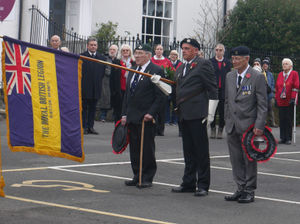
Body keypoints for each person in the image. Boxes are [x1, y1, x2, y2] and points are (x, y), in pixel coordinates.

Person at [171, 38, 218, 197]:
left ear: (196, 50)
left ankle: (203, 184)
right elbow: (177, 88)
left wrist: (210, 114)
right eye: (183, 48)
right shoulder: (181, 66)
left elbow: (212, 89)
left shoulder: (203, 64)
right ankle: (189, 182)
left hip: (198, 114)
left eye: (187, 48)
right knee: (188, 151)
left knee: (201, 151)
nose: (183, 51)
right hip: (184, 113)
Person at [224, 46, 267, 203]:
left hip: (249, 125)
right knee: (235, 159)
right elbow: (228, 101)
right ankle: (240, 188)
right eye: (233, 58)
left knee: (249, 159)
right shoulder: (230, 76)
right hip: (232, 124)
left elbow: (262, 104)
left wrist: (260, 125)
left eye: (237, 59)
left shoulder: (257, 77)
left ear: (246, 59)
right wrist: (226, 120)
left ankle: (249, 190)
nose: (234, 61)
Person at [121, 44, 165, 188]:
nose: (137, 56)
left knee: (146, 148)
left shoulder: (156, 70)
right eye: (136, 53)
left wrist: (151, 113)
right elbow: (127, 94)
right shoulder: (133, 69)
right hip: (132, 115)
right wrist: (124, 114)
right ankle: (137, 174)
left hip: (146, 117)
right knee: (134, 147)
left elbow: (160, 96)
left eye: (140, 53)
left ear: (148, 55)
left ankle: (147, 177)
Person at [80, 37, 106, 135]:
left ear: (97, 46)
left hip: (96, 88)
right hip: (85, 87)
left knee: (93, 108)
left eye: (95, 45)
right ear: (87, 46)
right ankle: (84, 127)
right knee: (84, 108)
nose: (93, 46)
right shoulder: (82, 56)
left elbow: (102, 73)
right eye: (91, 45)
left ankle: (91, 126)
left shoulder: (102, 58)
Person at [209, 43, 232, 139]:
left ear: (223, 51)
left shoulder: (227, 63)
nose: (218, 52)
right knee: (212, 110)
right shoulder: (210, 61)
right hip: (213, 90)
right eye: (217, 50)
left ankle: (221, 129)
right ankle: (213, 128)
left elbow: (229, 76)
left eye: (220, 50)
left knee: (222, 111)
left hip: (223, 90)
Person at [275, 58, 299, 145]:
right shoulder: (280, 74)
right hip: (281, 100)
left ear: (291, 66)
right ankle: (283, 137)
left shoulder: (294, 73)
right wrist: (276, 99)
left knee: (288, 119)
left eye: (286, 64)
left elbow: (296, 86)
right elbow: (277, 88)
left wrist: (293, 98)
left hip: (289, 100)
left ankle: (288, 138)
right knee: (282, 119)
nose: (284, 65)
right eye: (283, 64)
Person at [151, 44, 173, 136]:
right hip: (152, 87)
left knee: (162, 109)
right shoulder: (151, 60)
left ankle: (161, 129)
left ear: (163, 51)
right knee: (153, 109)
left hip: (162, 87)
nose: (159, 51)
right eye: (157, 49)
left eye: (161, 49)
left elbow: (172, 72)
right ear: (155, 50)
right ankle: (154, 128)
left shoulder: (167, 61)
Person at [107, 44, 123, 123]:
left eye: (114, 50)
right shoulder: (111, 60)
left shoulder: (131, 63)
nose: (112, 51)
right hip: (113, 87)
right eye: (111, 49)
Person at [166, 50, 182, 126]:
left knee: (175, 104)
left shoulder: (180, 64)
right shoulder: (167, 63)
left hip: (176, 87)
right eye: (172, 54)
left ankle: (174, 120)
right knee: (167, 103)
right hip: (168, 85)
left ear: (177, 56)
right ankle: (167, 120)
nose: (173, 56)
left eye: (175, 55)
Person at [262, 58, 277, 127]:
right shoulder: (260, 74)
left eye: (266, 65)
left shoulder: (270, 74)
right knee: (263, 110)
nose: (265, 66)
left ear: (268, 66)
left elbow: (273, 83)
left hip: (270, 95)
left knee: (271, 109)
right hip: (263, 95)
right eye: (264, 64)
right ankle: (263, 123)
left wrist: (271, 89)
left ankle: (272, 123)